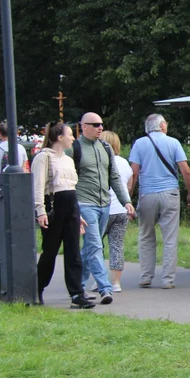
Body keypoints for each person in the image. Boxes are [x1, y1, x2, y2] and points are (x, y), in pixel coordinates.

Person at [129, 114, 190, 290]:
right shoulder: (174, 143)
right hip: (170, 193)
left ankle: (146, 277)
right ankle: (168, 279)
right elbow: (186, 171)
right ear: (163, 125)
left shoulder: (139, 144)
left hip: (147, 194)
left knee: (145, 235)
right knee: (170, 237)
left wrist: (128, 198)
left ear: (147, 128)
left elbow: (134, 173)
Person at [74, 113, 134, 305]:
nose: (100, 127)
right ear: (84, 126)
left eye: (101, 124)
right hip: (85, 204)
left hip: (104, 205)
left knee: (89, 247)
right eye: (95, 124)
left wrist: (126, 201)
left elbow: (114, 177)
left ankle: (79, 288)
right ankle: (105, 288)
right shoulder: (74, 149)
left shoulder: (105, 148)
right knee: (95, 245)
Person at [32, 123, 92, 308]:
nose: (73, 138)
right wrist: (40, 210)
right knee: (50, 251)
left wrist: (77, 213)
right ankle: (37, 289)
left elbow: (71, 186)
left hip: (71, 205)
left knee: (74, 251)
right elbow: (38, 186)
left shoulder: (67, 159)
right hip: (53, 205)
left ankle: (76, 294)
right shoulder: (43, 158)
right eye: (69, 134)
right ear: (59, 137)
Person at [101, 131, 134, 293]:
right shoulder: (124, 163)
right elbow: (128, 186)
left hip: (103, 209)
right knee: (117, 246)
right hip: (121, 210)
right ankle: (116, 282)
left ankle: (99, 280)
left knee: (95, 246)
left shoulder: (100, 161)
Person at [0, 123, 29, 210]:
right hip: (18, 184)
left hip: (1, 183)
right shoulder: (21, 148)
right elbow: (24, 166)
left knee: (1, 210)